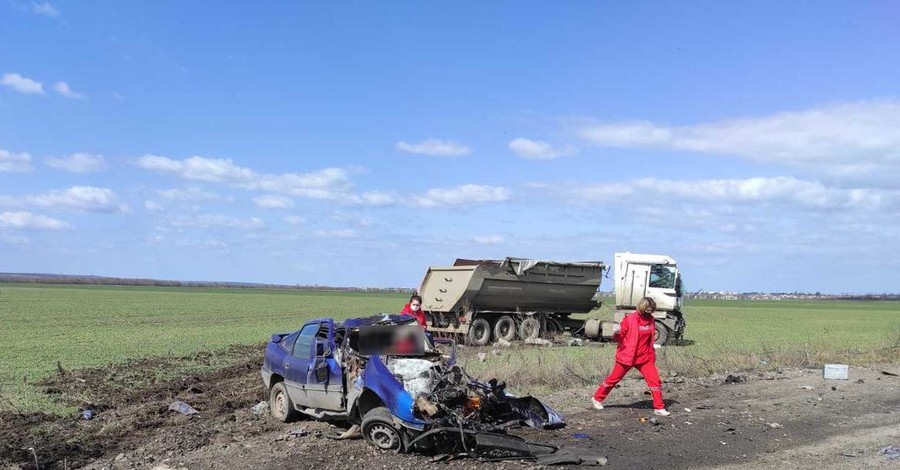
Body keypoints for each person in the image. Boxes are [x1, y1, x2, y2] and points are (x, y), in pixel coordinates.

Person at [591, 297, 671, 416]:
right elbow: (619, 337)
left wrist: (653, 352)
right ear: (641, 307)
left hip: (645, 357)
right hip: (627, 356)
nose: (649, 312)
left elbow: (650, 338)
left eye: (651, 310)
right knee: (613, 379)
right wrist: (617, 331)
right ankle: (597, 398)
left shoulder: (651, 320)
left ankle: (659, 407)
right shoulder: (630, 319)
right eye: (647, 309)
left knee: (655, 381)